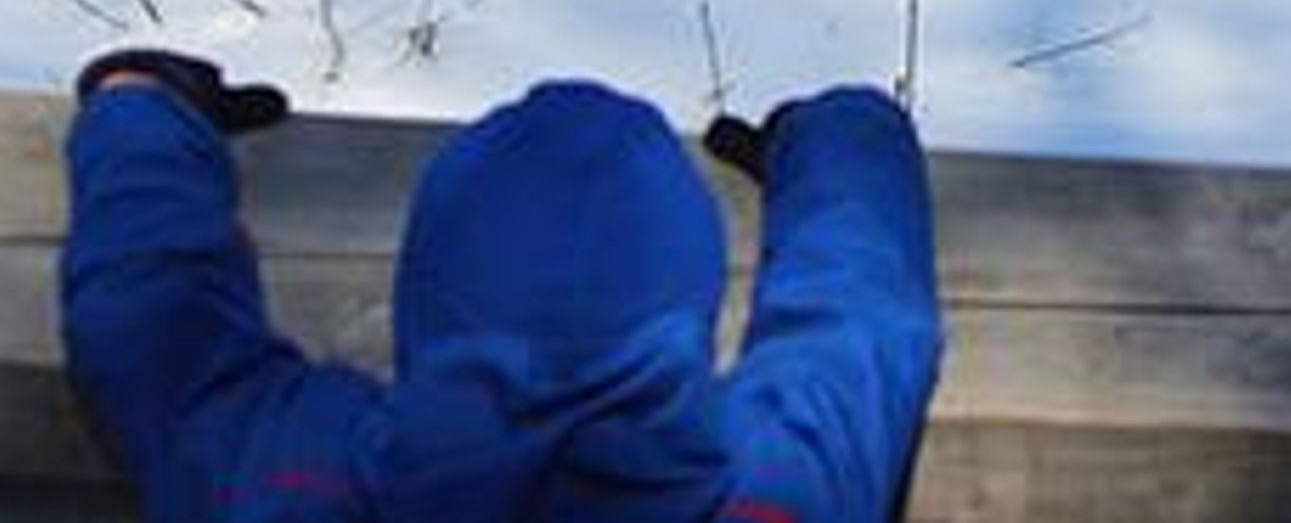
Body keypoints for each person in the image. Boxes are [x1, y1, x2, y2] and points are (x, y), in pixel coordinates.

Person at [61, 48, 942, 522]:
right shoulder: (777, 489)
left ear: (425, 289)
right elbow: (861, 310)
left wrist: (142, 107)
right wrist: (840, 132)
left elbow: (147, 316)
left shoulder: (303, 474)